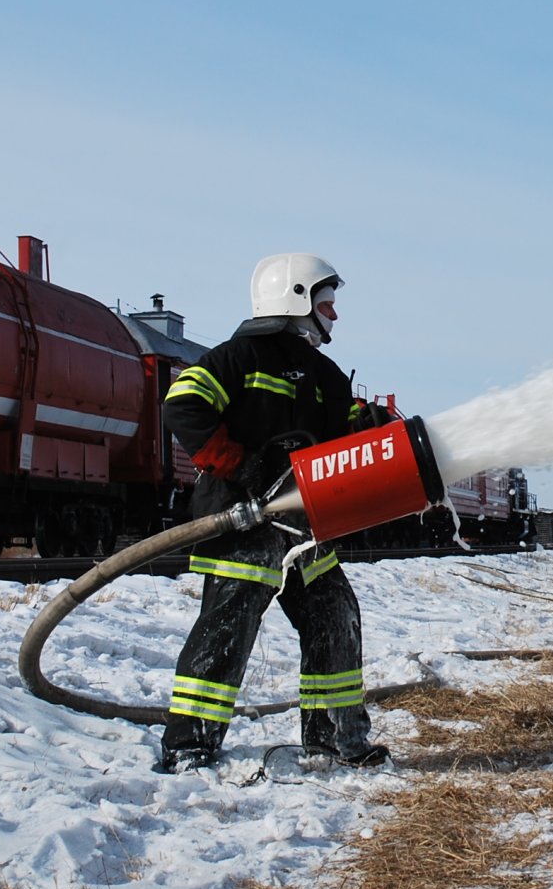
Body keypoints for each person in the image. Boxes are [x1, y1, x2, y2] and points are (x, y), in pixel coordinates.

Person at [154, 252, 386, 774]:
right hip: (243, 524)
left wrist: (367, 429)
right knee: (225, 632)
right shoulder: (236, 358)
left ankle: (336, 740)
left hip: (304, 529)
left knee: (335, 618)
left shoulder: (327, 376)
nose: (334, 315)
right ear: (297, 298)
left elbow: (339, 444)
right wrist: (242, 466)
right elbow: (182, 404)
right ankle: (191, 744)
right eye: (327, 303)